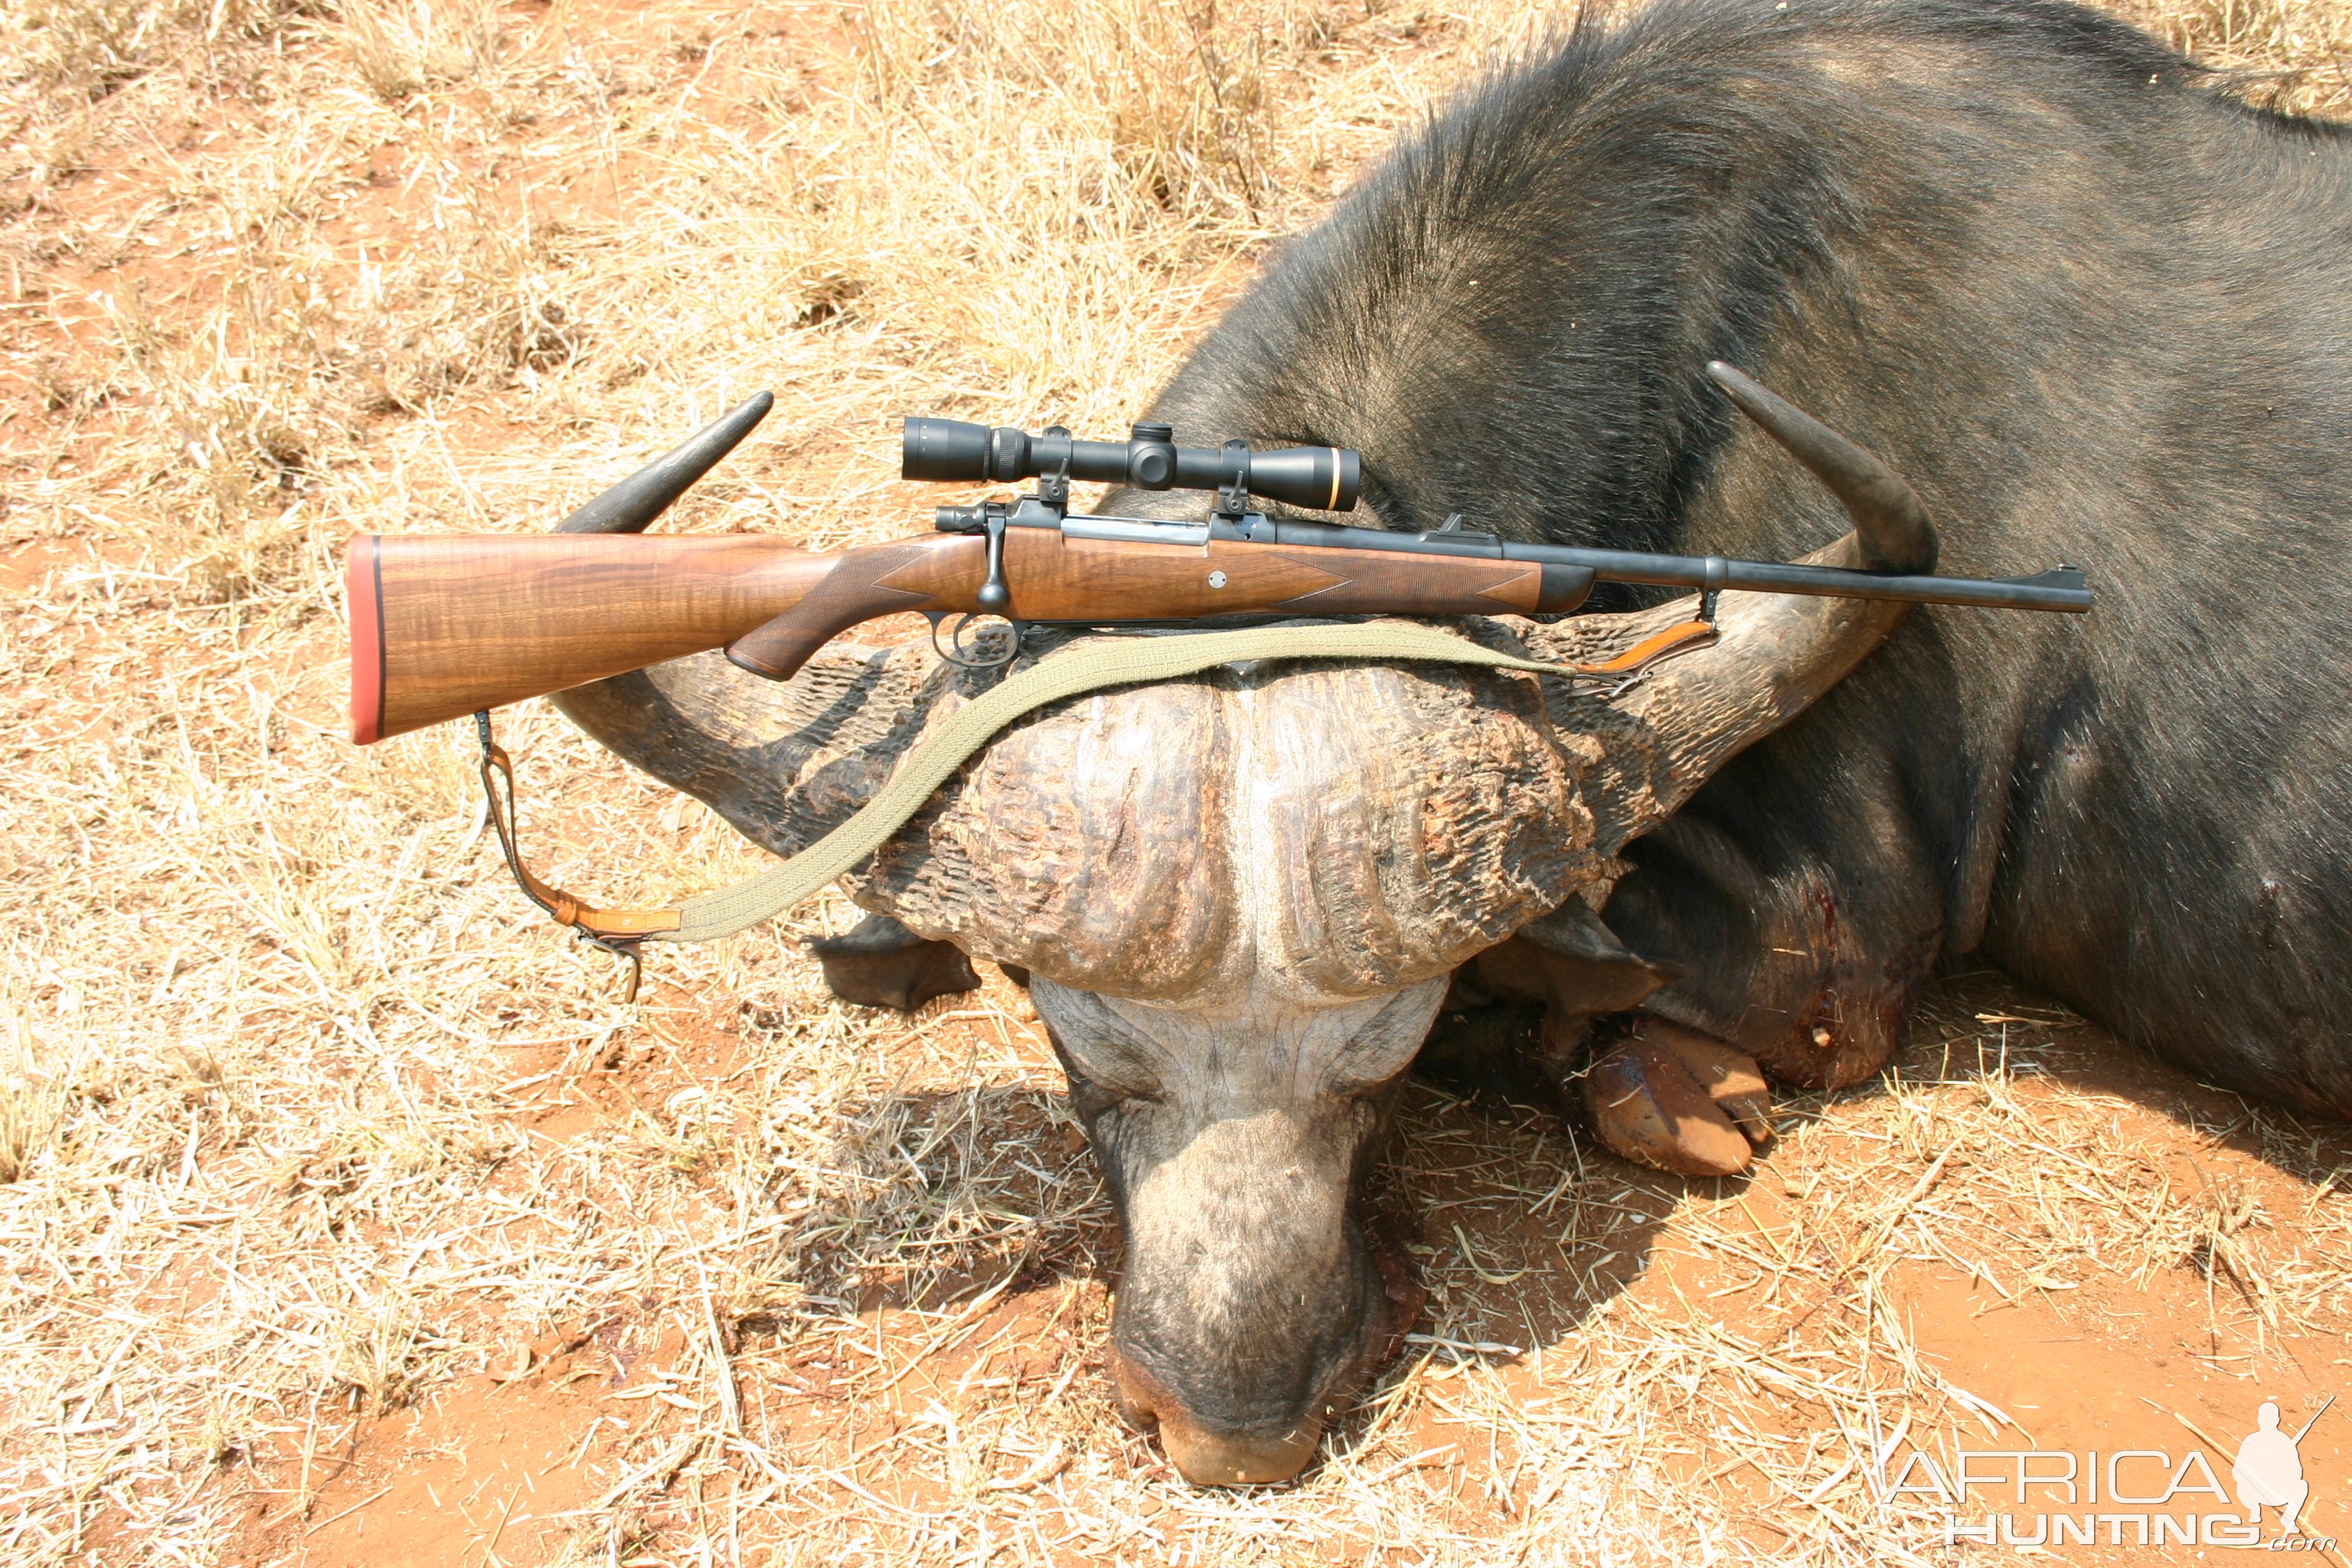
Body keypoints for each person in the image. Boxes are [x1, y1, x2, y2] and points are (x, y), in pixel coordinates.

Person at [2234, 1400, 2309, 1534]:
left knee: (2302, 1485)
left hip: (2274, 1493)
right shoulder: (2254, 1441)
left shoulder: (2282, 1442)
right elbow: (2237, 1472)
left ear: (2259, 1420)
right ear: (2278, 1420)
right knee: (2301, 1486)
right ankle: (2255, 1510)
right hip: (2256, 1492)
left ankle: (2288, 1519)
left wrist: (2279, 1470)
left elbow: (2297, 1472)